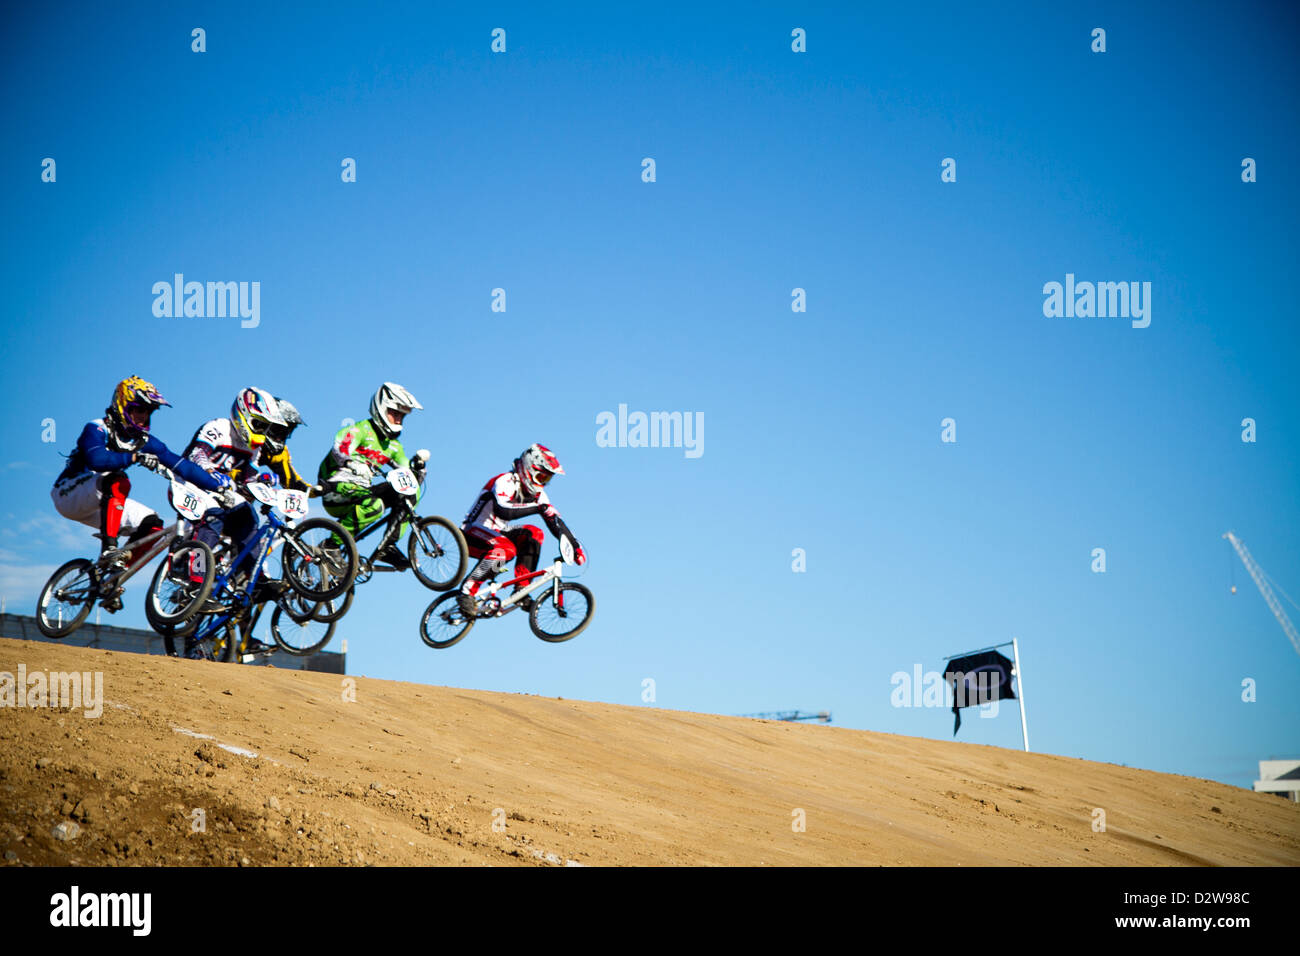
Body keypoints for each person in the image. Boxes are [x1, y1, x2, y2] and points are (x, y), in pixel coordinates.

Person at [50, 376, 229, 611]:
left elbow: (182, 466)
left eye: (148, 412)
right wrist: (133, 457)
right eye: (139, 410)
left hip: (102, 503)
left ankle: (113, 579)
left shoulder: (144, 441)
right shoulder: (96, 428)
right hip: (69, 493)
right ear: (122, 406)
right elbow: (98, 459)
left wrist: (218, 488)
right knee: (118, 480)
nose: (144, 417)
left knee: (155, 527)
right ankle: (110, 548)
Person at [458, 443, 585, 617]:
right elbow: (503, 510)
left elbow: (555, 520)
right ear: (528, 470)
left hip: (499, 531)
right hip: (472, 532)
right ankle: (466, 591)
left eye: (547, 480)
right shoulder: (505, 481)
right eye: (541, 477)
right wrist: (537, 508)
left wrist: (574, 545)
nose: (543, 484)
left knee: (534, 533)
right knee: (505, 549)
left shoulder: (538, 494)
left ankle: (521, 591)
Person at [318, 382, 426, 569]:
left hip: (361, 490)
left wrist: (418, 470)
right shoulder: (361, 430)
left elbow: (404, 468)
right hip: (334, 488)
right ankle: (331, 545)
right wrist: (350, 462)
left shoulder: (393, 446)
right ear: (382, 409)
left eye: (402, 416)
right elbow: (340, 447)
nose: (399, 420)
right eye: (396, 413)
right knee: (375, 506)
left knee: (410, 493)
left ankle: (387, 546)